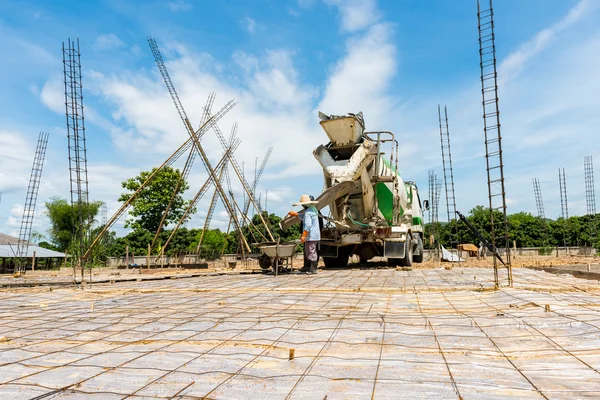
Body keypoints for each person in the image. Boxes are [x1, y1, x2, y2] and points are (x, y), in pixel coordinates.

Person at [288, 194, 320, 274]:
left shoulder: (308, 212)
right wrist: (295, 214)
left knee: (310, 251)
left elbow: (307, 225)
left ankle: (313, 269)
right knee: (310, 251)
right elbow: (302, 216)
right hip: (314, 235)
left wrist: (303, 236)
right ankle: (312, 268)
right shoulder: (313, 210)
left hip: (311, 236)